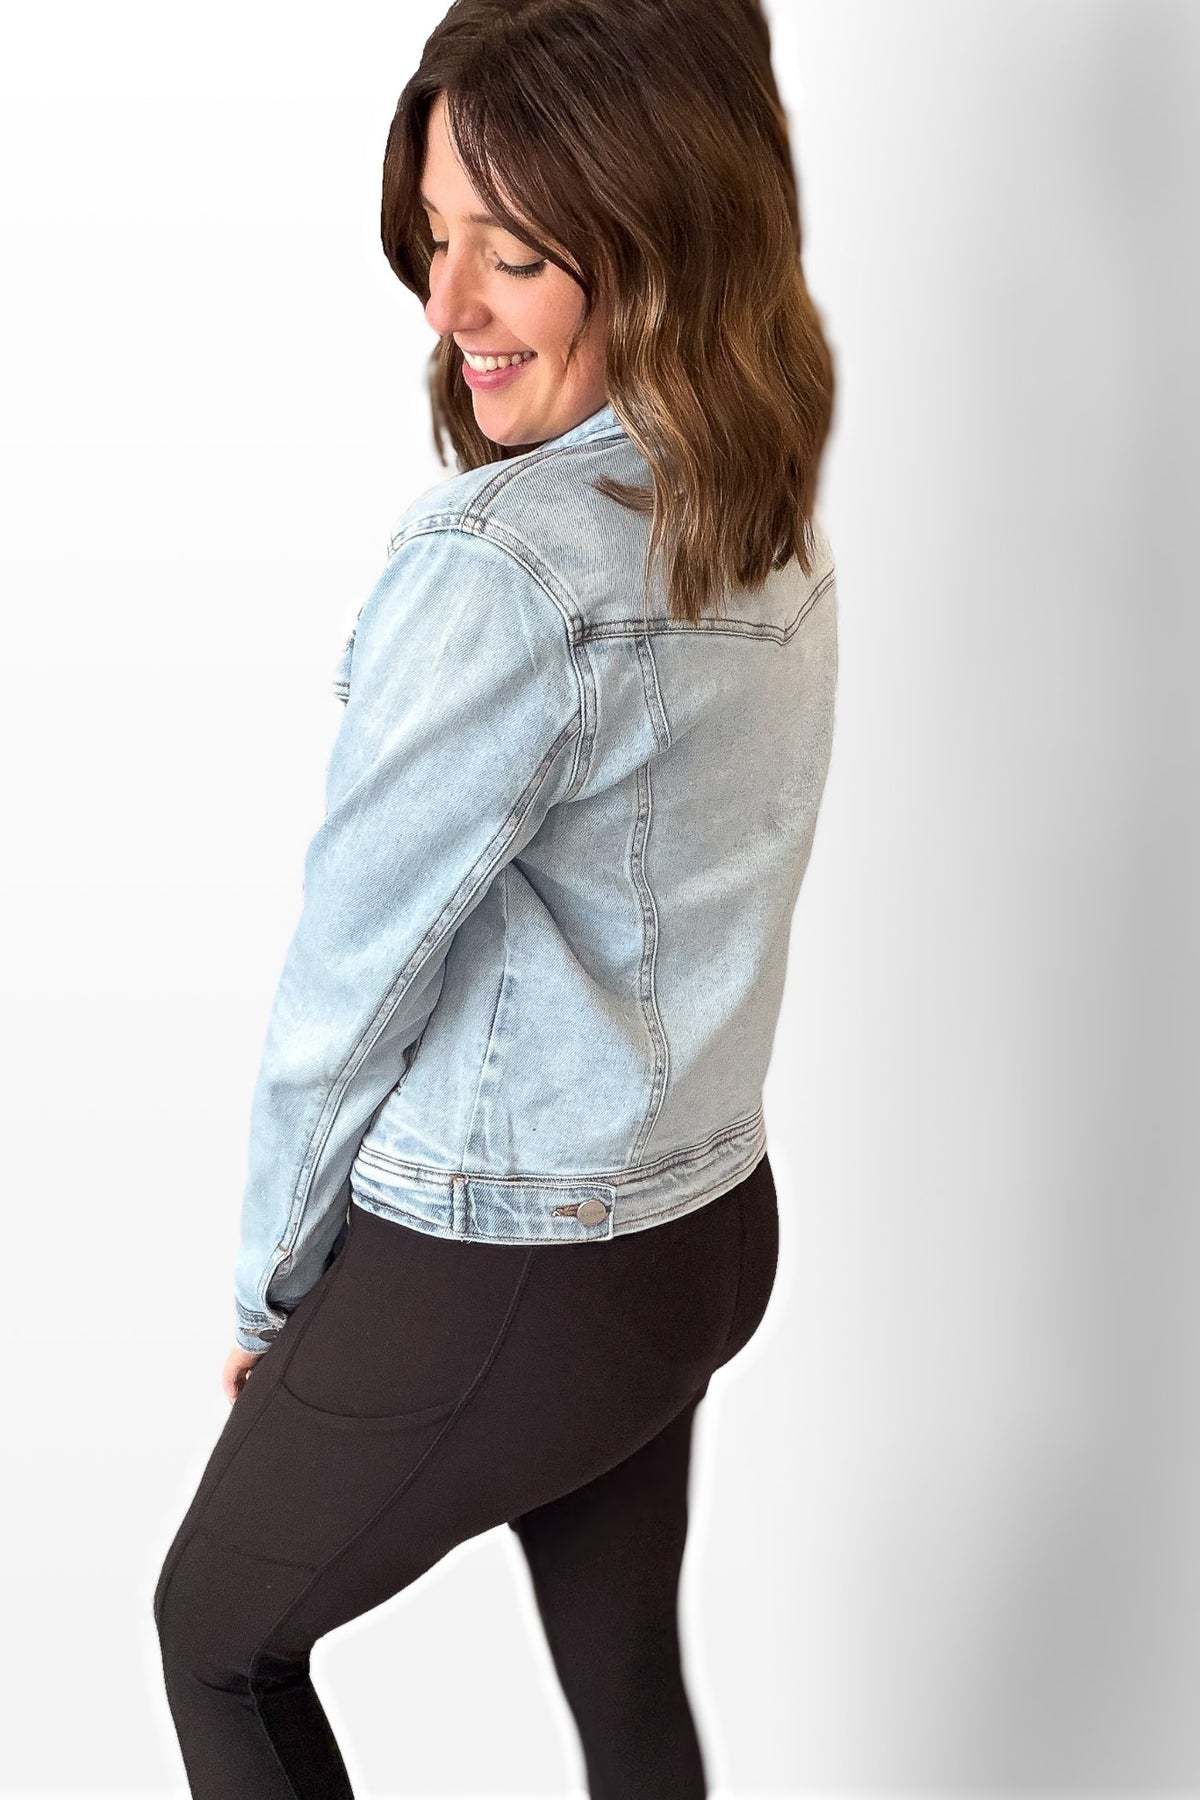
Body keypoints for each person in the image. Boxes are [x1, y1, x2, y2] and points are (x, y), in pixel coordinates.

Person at [152, 0, 838, 1792]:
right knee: (627, 1694)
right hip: (700, 1235)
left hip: (516, 1263)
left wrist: (267, 1295)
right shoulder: (757, 502)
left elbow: (350, 978)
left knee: (216, 1640)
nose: (447, 306)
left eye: (513, 254)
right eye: (436, 231)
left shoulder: (505, 567)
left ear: (661, 247)